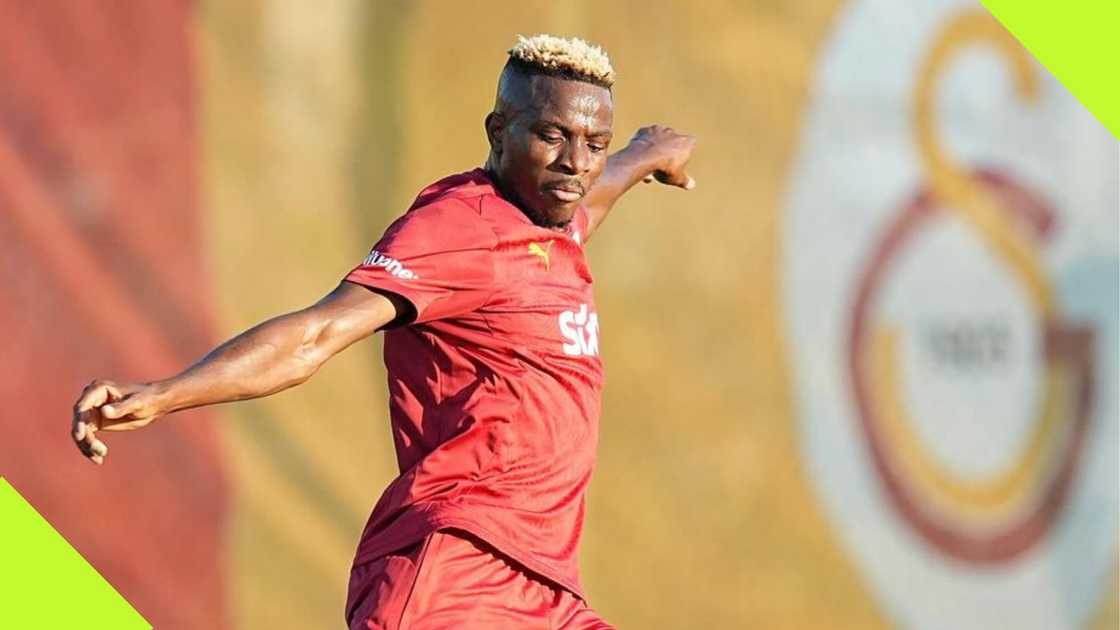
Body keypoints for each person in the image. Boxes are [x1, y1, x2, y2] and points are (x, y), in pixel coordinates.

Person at [71, 34, 696, 629]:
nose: (575, 163)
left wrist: (648, 151)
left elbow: (597, 190)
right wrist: (164, 393)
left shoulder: (558, 222)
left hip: (544, 589)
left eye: (594, 143)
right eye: (551, 136)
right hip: (455, 573)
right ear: (498, 132)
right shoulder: (461, 228)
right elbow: (315, 334)